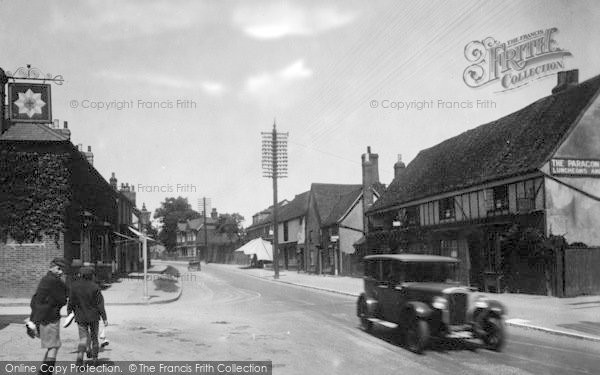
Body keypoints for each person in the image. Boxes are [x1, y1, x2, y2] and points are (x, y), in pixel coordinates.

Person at [30, 258, 69, 375]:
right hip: (50, 317)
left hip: (44, 316)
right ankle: (46, 373)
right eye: (59, 269)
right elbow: (63, 299)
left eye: (62, 269)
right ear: (51, 267)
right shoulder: (53, 281)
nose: (61, 272)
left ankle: (43, 371)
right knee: (53, 346)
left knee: (52, 345)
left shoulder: (46, 279)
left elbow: (35, 300)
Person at [67, 266, 108, 366]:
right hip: (94, 317)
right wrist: (104, 318)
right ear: (91, 275)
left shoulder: (74, 286)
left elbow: (71, 301)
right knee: (94, 337)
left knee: (83, 338)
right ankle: (95, 359)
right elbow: (100, 304)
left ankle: (80, 357)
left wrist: (69, 312)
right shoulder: (95, 287)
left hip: (80, 317)